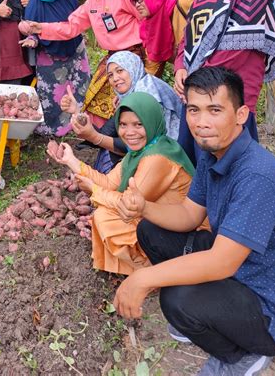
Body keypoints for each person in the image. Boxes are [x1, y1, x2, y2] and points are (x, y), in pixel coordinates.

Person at [114, 67, 275, 375]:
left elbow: (222, 263)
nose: (201, 122)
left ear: (241, 114)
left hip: (270, 301)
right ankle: (209, 316)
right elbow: (190, 214)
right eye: (194, 109)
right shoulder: (213, 152)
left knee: (177, 298)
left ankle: (243, 355)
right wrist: (144, 208)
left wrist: (142, 279)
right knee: (151, 231)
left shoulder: (258, 174)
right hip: (239, 264)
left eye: (215, 110)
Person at [174, 0, 275, 163]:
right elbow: (190, 32)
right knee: (200, 163)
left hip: (232, 87)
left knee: (230, 161)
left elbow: (239, 47)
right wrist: (180, 66)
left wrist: (195, 78)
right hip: (199, 86)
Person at [47, 92, 196, 275]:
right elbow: (109, 182)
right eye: (123, 125)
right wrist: (71, 161)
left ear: (152, 122)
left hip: (184, 235)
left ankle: (152, 271)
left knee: (107, 219)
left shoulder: (158, 157)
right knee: (104, 215)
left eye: (138, 125)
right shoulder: (142, 149)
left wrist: (94, 190)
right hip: (157, 221)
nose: (129, 132)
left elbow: (128, 203)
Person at [21, 0, 142, 127]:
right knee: (94, 96)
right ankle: (100, 135)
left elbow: (144, 19)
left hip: (135, 55)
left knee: (133, 97)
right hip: (113, 57)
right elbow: (70, 27)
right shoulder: (90, 4)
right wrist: (41, 29)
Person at [61, 51, 182, 173]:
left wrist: (95, 137)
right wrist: (76, 111)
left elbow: (137, 143)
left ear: (132, 67)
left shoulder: (144, 93)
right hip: (155, 153)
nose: (115, 79)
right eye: (110, 75)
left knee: (110, 153)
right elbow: (107, 132)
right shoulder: (132, 92)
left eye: (120, 71)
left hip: (169, 158)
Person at [21, 0, 90, 136]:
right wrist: (32, 40)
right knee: (53, 95)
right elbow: (32, 30)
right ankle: (55, 128)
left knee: (79, 86)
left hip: (75, 50)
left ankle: (79, 121)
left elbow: (77, 18)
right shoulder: (34, 4)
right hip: (49, 55)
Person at [130, 0, 194, 77]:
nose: (137, 4)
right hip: (185, 75)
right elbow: (153, 66)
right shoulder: (150, 23)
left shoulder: (184, 3)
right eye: (134, 1)